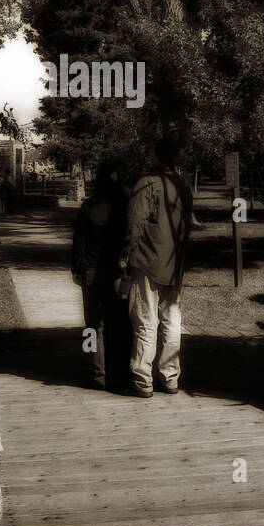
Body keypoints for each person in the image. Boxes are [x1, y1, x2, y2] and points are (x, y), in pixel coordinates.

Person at [119, 135, 193, 398]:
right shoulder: (183, 184)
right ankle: (170, 377)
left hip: (148, 262)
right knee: (172, 320)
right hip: (175, 265)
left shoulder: (147, 183)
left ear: (155, 155)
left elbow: (134, 222)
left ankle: (142, 379)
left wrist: (125, 255)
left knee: (145, 321)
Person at [71, 159, 130, 390]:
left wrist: (76, 269)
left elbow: (80, 242)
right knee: (119, 323)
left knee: (91, 325)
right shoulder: (127, 205)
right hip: (119, 272)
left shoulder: (90, 206)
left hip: (91, 271)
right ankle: (118, 373)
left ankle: (95, 372)